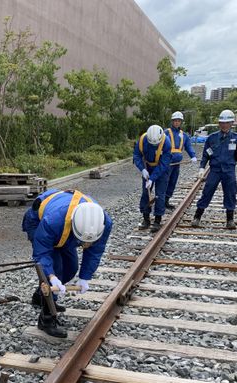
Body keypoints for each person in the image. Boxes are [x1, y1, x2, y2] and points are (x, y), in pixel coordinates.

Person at [22, 189, 112, 338]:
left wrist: (85, 277)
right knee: (55, 269)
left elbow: (95, 251)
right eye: (82, 242)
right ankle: (46, 318)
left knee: (71, 268)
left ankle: (41, 296)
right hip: (38, 221)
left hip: (65, 230)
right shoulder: (52, 221)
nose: (85, 245)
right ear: (74, 227)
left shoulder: (104, 223)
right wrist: (51, 277)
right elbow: (42, 253)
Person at [193, 109, 237, 229]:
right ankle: (197, 216)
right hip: (215, 170)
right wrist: (202, 168)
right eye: (222, 122)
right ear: (219, 123)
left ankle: (230, 219)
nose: (224, 125)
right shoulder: (212, 138)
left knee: (231, 193)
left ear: (231, 123)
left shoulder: (236, 138)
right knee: (207, 191)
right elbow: (206, 154)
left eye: (227, 123)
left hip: (229, 170)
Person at [132, 124, 172, 232]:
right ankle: (146, 219)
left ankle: (157, 220)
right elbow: (136, 155)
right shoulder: (142, 140)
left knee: (160, 194)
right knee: (145, 192)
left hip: (161, 170)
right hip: (147, 167)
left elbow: (164, 164)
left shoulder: (166, 143)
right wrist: (143, 170)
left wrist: (152, 179)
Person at [164, 111, 197, 210]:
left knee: (173, 182)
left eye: (179, 121)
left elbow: (188, 147)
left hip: (177, 163)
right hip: (167, 162)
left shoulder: (184, 135)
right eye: (175, 121)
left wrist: (193, 156)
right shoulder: (166, 133)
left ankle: (166, 200)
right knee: (165, 181)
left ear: (181, 122)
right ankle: (161, 200)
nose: (177, 122)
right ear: (172, 121)